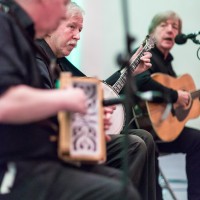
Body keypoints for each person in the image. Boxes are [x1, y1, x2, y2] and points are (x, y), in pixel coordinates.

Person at [0, 0, 141, 200]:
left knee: (121, 182)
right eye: (63, 3)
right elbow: (4, 104)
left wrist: (87, 124)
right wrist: (66, 99)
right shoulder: (5, 28)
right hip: (17, 169)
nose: (61, 14)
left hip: (43, 161)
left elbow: (36, 115)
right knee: (121, 193)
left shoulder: (24, 38)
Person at [36, 2, 156, 200]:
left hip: (70, 135)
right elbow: (47, 115)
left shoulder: (58, 61)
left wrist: (129, 72)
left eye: (80, 29)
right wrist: (91, 118)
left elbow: (100, 90)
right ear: (51, 26)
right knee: (133, 144)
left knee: (144, 137)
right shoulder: (38, 60)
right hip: (56, 147)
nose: (77, 36)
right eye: (72, 27)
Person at [134, 11, 200, 200]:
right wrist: (174, 96)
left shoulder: (168, 65)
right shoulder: (144, 55)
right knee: (147, 145)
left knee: (198, 140)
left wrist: (182, 99)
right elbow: (142, 82)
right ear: (151, 32)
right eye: (164, 25)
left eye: (175, 27)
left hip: (161, 131)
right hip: (140, 129)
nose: (171, 30)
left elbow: (180, 105)